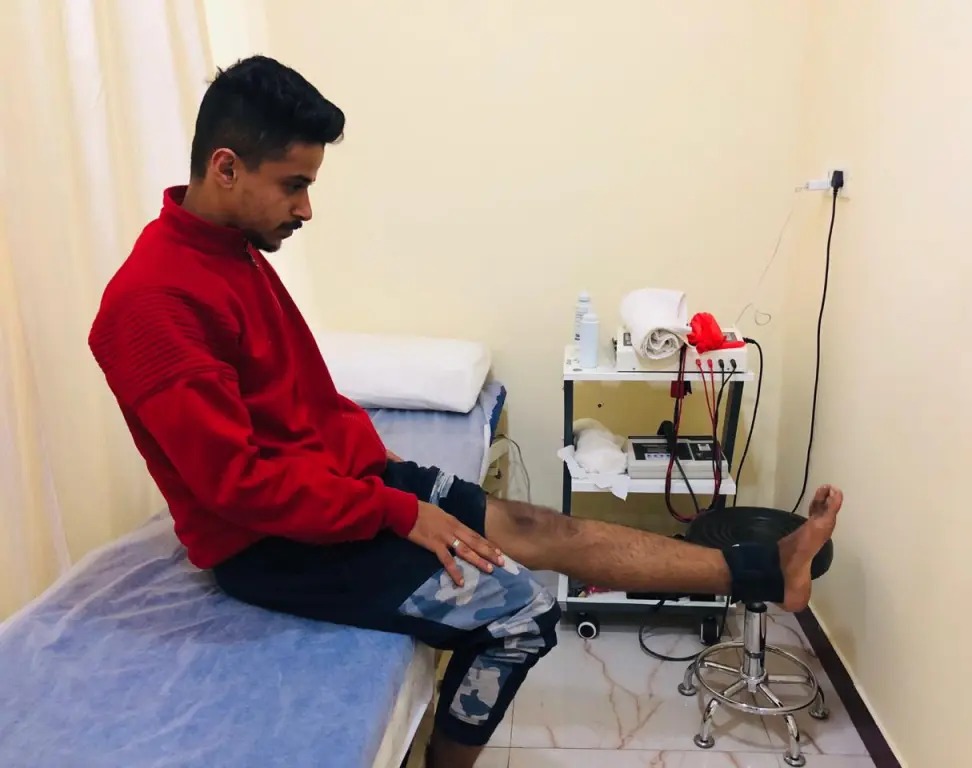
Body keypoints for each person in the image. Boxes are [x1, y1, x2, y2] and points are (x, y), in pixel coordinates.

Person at [88, 55, 843, 768]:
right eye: (293, 186)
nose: (306, 208)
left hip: (343, 488)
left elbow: (293, 403)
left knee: (544, 528)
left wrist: (377, 472)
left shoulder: (230, 249)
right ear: (226, 168)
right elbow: (238, 487)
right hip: (273, 545)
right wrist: (396, 511)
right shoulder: (155, 303)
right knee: (523, 616)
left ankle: (765, 571)